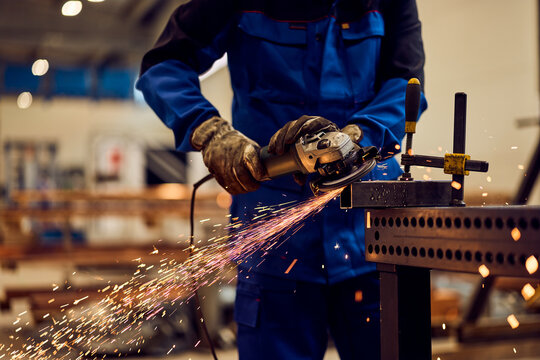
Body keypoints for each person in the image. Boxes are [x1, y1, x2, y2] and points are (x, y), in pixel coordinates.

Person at [137, 0, 427, 358]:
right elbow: (162, 66)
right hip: (275, 243)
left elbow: (407, 83)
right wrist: (208, 130)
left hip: (374, 235)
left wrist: (358, 137)